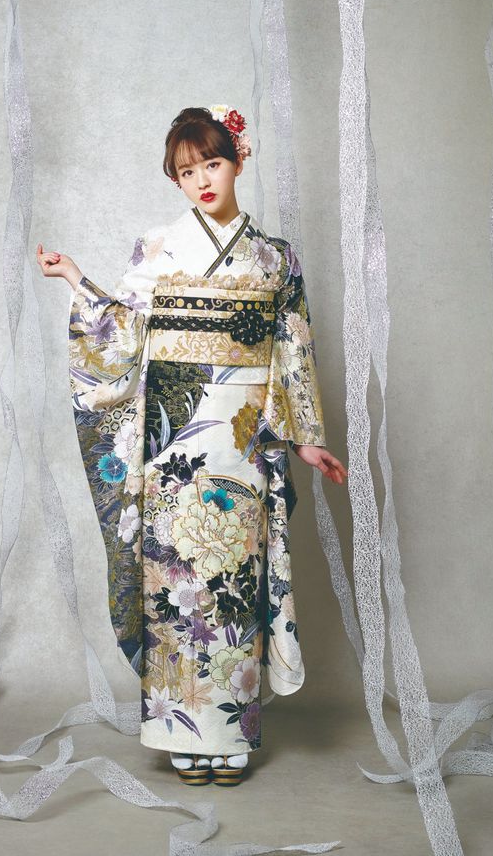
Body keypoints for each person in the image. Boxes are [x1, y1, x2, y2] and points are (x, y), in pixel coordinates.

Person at [36, 105, 347, 787]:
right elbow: (122, 330)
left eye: (212, 162)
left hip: (244, 437)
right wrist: (76, 279)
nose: (202, 180)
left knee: (234, 583)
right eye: (186, 171)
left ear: (238, 160)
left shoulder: (276, 258)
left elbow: (294, 347)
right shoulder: (156, 248)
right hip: (173, 443)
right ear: (175, 180)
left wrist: (305, 439)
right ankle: (179, 727)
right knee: (176, 583)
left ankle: (230, 731)